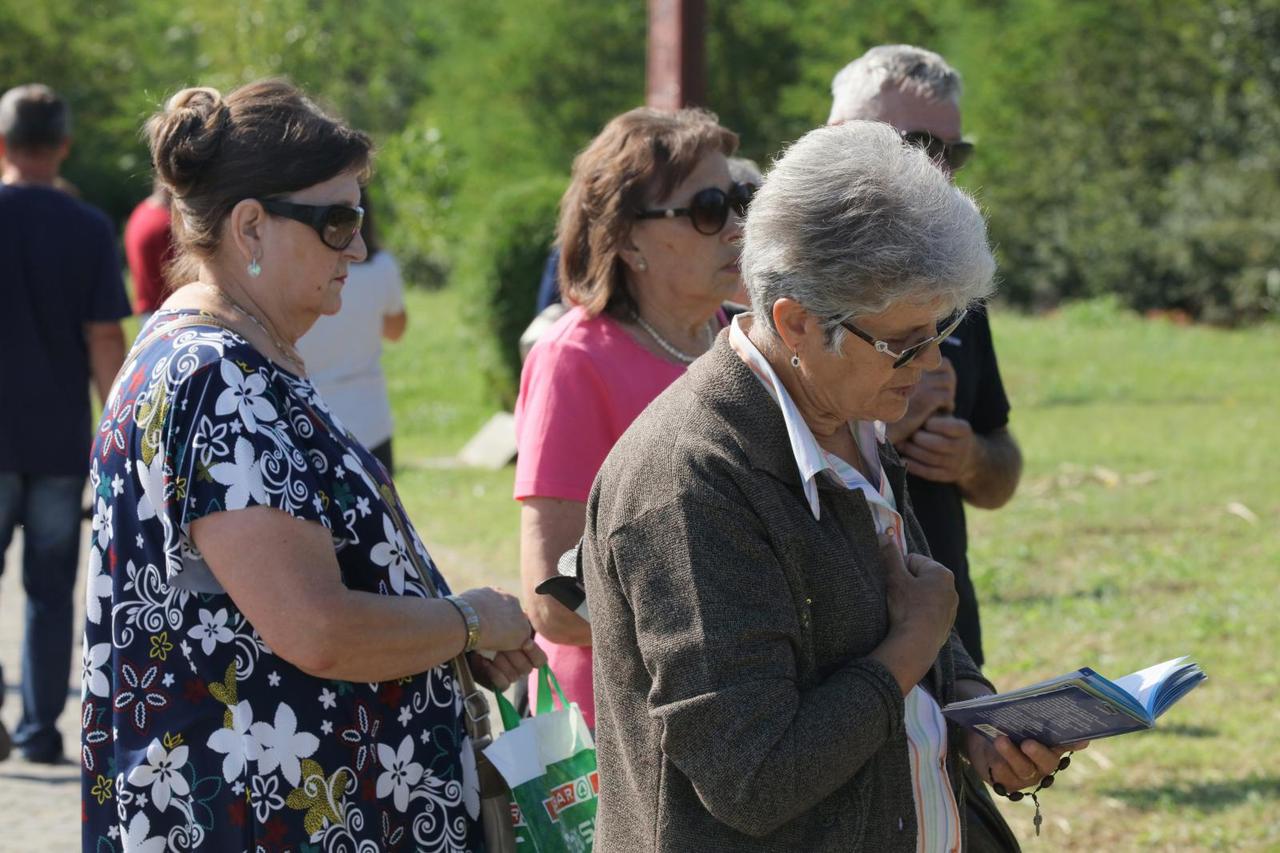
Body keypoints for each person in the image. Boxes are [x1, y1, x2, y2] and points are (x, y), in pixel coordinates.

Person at [583, 121, 1083, 850]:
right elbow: (752, 779)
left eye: (941, 330)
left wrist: (975, 716)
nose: (932, 364)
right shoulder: (688, 482)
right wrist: (913, 645)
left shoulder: (852, 412)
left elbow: (903, 601)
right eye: (906, 341)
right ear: (796, 322)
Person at [82, 81, 543, 850]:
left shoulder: (226, 356)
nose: (358, 249)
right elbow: (317, 627)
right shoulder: (214, 376)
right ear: (251, 227)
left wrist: (439, 638)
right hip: (263, 819)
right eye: (337, 222)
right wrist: (465, 622)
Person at [515, 107, 751, 727]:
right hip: (624, 722)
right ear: (626, 238)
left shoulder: (744, 342)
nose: (736, 227)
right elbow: (554, 604)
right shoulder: (573, 361)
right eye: (707, 208)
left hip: (737, 702)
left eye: (739, 199)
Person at [829, 45, 1023, 670]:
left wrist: (970, 459)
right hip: (833, 643)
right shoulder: (780, 279)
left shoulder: (958, 278)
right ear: (836, 136)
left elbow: (1002, 466)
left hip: (949, 641)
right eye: (912, 143)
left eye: (952, 152)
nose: (934, 168)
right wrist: (883, 430)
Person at [0, 83, 129, 764]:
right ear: (65, 146)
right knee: (51, 593)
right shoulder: (86, 227)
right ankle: (40, 730)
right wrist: (124, 432)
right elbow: (106, 337)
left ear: (1, 144)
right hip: (55, 440)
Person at [297, 187, 407, 473]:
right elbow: (396, 330)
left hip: (311, 418)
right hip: (370, 418)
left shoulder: (301, 275)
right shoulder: (382, 268)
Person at [123, 178, 176, 320]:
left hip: (149, 308)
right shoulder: (165, 223)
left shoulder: (141, 211)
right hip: (167, 311)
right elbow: (181, 275)